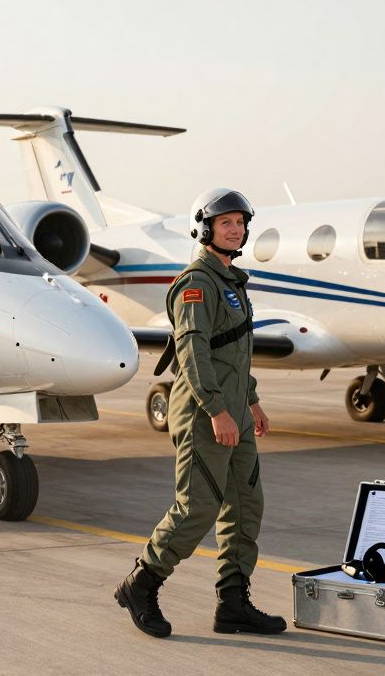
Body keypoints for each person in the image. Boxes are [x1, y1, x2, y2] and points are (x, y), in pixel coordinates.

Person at [114, 188, 285, 638]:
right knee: (197, 508)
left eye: (241, 222)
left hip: (235, 411)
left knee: (247, 506)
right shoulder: (197, 283)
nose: (236, 229)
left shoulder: (233, 282)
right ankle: (141, 583)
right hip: (203, 412)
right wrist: (216, 409)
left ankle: (233, 603)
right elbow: (192, 352)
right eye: (226, 222)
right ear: (206, 228)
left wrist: (250, 401)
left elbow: (236, 352)